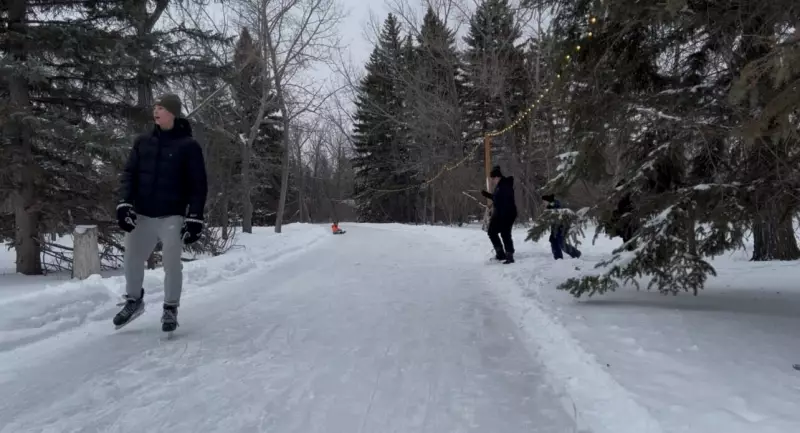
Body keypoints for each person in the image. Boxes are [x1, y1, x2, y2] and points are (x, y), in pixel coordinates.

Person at [113, 94, 208, 332]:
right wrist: (125, 203)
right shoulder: (142, 141)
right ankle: (134, 301)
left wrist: (195, 217)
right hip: (143, 213)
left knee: (172, 263)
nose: (156, 111)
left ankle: (170, 308)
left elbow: (198, 185)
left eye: (162, 108)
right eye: (155, 106)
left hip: (172, 215)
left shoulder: (188, 146)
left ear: (173, 113)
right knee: (132, 258)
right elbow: (129, 174)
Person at [481, 166, 517, 264]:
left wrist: (500, 215)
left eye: (493, 179)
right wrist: (487, 195)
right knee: (492, 232)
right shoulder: (500, 185)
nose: (492, 181)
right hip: (500, 213)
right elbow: (497, 198)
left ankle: (509, 255)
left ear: (497, 177)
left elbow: (504, 201)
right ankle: (500, 253)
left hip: (507, 213)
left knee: (505, 234)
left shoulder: (505, 186)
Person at [542, 194, 581, 260]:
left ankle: (576, 253)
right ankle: (558, 258)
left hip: (561, 227)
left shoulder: (555, 204)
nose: (543, 203)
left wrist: (551, 205)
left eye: (544, 202)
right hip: (555, 228)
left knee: (561, 243)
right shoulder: (549, 208)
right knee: (553, 242)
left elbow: (557, 207)